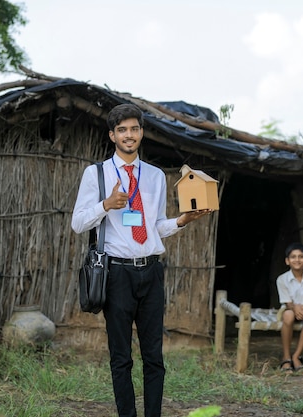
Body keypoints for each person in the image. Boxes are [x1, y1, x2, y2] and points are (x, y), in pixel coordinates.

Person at [71, 103, 211, 417]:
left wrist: (182, 220)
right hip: (117, 274)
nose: (129, 135)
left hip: (151, 272)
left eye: (134, 129)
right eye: (122, 130)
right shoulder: (97, 174)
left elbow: (155, 226)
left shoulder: (155, 176)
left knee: (154, 357)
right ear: (112, 135)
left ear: (141, 133)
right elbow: (78, 223)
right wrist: (106, 204)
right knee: (121, 357)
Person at [275, 242, 303, 373]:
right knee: (288, 316)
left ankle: (296, 356)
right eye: (293, 257)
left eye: (301, 256)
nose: (297, 260)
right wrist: (295, 309)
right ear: (287, 261)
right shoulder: (282, 279)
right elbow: (287, 303)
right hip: (290, 309)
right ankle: (286, 357)